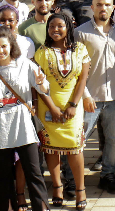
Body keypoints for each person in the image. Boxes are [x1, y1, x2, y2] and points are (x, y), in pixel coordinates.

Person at [0, 26, 50, 211]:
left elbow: (43, 89)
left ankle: (42, 208)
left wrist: (41, 83)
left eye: (3, 46)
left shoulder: (25, 64)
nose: (0, 51)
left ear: (11, 45)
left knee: (34, 173)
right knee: (4, 177)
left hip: (23, 126)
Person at [75, 0, 115, 195]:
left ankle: (108, 175)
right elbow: (76, 69)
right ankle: (71, 177)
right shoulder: (80, 33)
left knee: (114, 139)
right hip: (90, 97)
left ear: (113, 7)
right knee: (78, 139)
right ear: (92, 7)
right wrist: (85, 95)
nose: (103, 8)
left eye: (107, 4)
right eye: (99, 4)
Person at [34, 11, 91, 209]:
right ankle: (57, 187)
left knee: (75, 148)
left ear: (69, 27)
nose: (55, 30)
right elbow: (38, 84)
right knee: (51, 149)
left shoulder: (80, 50)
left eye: (60, 26)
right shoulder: (42, 52)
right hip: (48, 106)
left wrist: (73, 105)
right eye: (51, 27)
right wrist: (52, 107)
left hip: (73, 107)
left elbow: (82, 80)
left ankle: (80, 190)